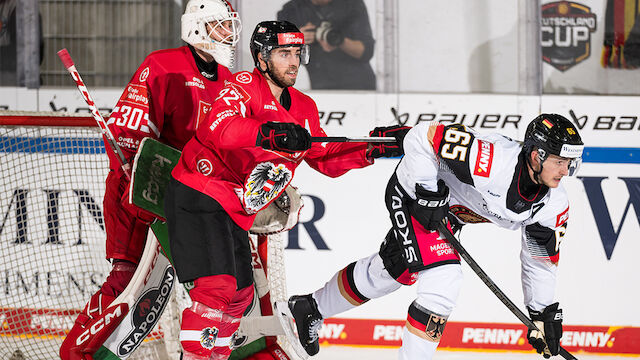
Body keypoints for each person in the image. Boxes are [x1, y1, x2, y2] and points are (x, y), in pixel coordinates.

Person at [163, 20, 407, 360]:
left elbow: (324, 159)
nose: (293, 62)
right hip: (200, 193)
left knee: (240, 297)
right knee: (216, 291)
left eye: (297, 53)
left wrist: (376, 146)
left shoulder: (303, 107)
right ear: (261, 58)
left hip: (234, 210)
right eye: (282, 53)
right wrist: (267, 133)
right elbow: (220, 129)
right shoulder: (242, 85)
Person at [287, 114, 584, 359]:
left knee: (391, 272)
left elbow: (540, 260)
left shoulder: (554, 205)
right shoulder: (492, 161)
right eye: (560, 161)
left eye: (569, 162)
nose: (565, 170)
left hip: (448, 213)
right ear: (536, 154)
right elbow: (422, 136)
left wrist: (541, 313)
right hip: (416, 193)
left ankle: (311, 307)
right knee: (444, 280)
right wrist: (428, 190)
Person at [59, 1, 241, 358]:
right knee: (128, 280)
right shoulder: (163, 65)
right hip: (140, 191)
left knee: (203, 286)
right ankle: (76, 353)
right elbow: (128, 133)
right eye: (220, 25)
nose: (228, 34)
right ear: (197, 27)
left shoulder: (230, 82)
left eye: (229, 25)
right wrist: (139, 182)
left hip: (189, 200)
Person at [277, 0, 376, 90]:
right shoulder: (292, 10)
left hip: (357, 84)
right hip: (318, 84)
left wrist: (340, 42)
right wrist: (295, 39)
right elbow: (278, 56)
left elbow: (366, 51)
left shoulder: (352, 4)